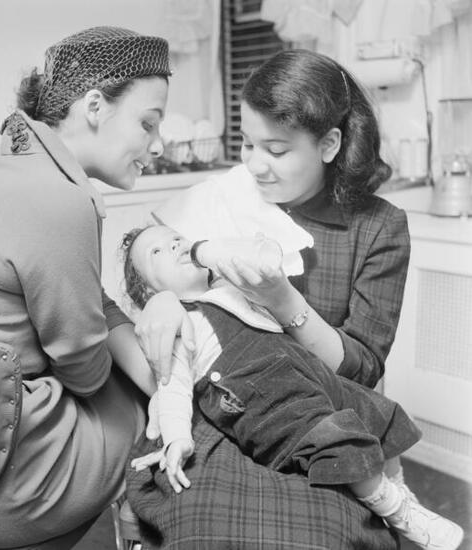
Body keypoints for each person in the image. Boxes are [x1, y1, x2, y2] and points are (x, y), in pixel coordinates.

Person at [124, 49, 420, 549]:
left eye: (276, 150)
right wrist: (161, 301)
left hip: (319, 414)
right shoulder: (224, 199)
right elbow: (152, 265)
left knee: (321, 533)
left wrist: (284, 302)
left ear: (329, 144)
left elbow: (363, 369)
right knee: (202, 521)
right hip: (220, 411)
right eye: (246, 143)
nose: (254, 165)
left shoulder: (378, 228)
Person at [0, 26, 170, 549]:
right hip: (0, 489)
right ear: (95, 106)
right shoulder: (61, 200)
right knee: (144, 406)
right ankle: (138, 527)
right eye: (148, 123)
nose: (159, 144)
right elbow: (84, 371)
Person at [121, 224, 464, 550]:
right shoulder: (179, 324)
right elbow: (171, 385)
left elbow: (260, 264)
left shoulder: (229, 288)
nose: (175, 246)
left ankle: (400, 493)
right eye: (157, 251)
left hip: (305, 370)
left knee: (378, 412)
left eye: (176, 238)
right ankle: (397, 510)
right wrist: (177, 436)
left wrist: (226, 253)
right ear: (149, 292)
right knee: (333, 438)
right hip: (263, 396)